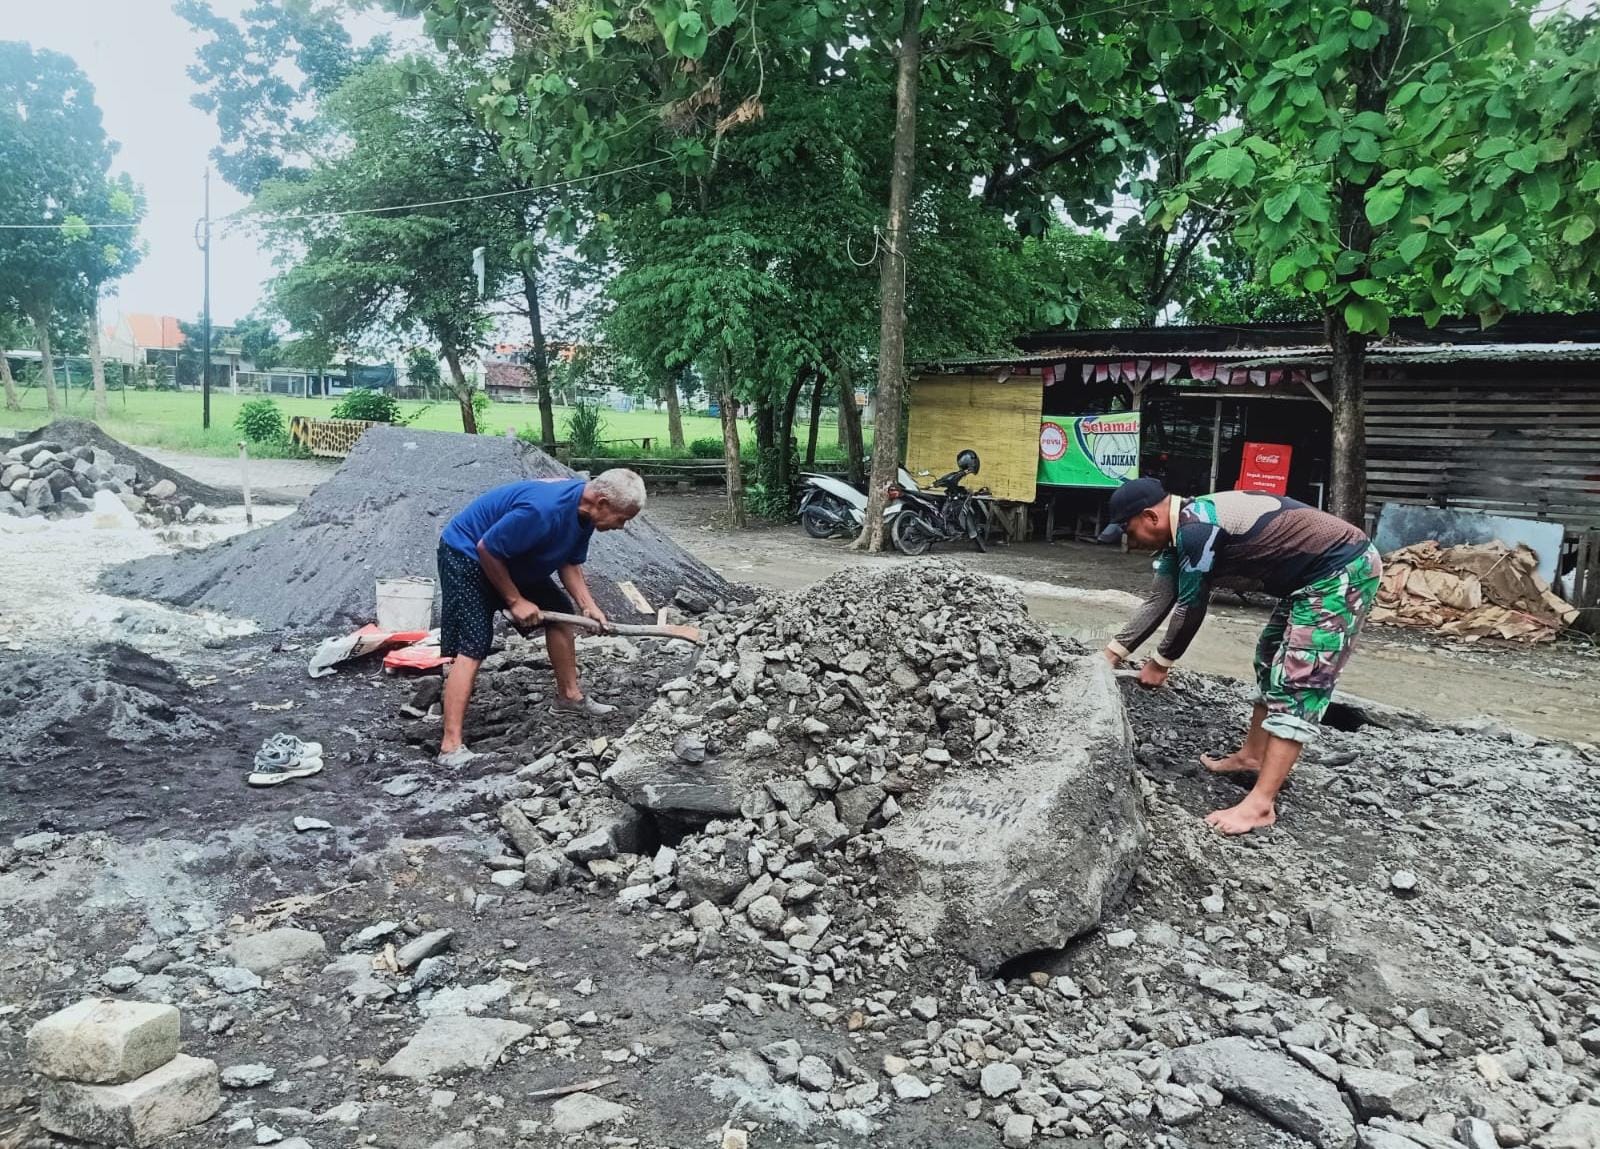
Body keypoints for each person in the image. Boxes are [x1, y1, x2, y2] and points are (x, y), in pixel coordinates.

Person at [1098, 477, 1382, 835]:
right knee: (1269, 655)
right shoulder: (1179, 535)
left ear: (1150, 517)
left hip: (1343, 570)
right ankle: (1252, 756)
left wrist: (1160, 663)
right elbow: (1159, 600)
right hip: (1306, 581)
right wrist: (1109, 657)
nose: (1130, 540)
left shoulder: (1197, 530)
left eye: (1129, 529)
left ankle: (1261, 804)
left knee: (1301, 676)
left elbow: (1191, 606)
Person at [434, 469, 646, 767]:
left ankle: (569, 699)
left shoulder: (584, 513)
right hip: (467, 554)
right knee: (474, 643)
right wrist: (515, 599)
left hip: (511, 559)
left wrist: (588, 605)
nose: (622, 526)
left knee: (561, 614)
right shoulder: (542, 510)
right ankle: (450, 746)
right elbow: (488, 549)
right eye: (622, 518)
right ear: (601, 502)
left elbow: (569, 561)